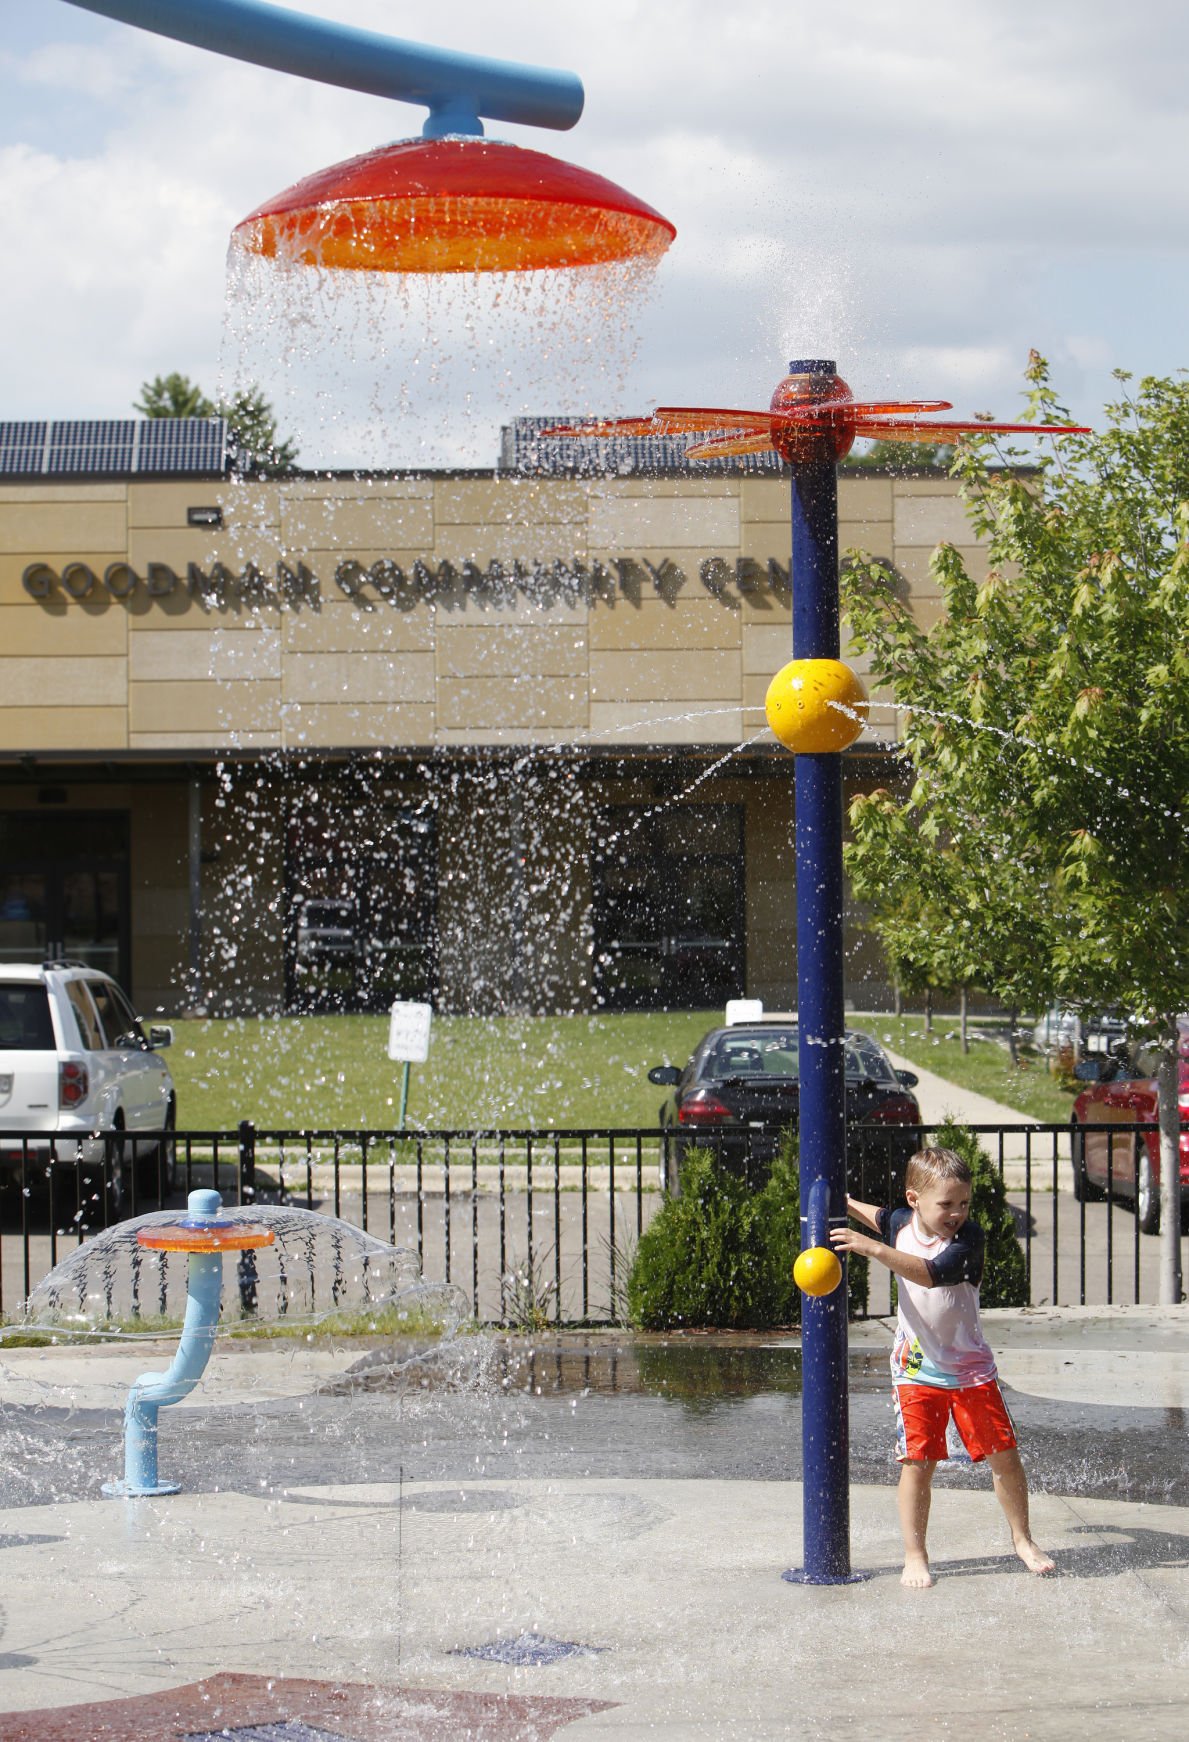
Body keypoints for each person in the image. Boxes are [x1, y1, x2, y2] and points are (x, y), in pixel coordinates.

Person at [830, 1145, 1055, 1589]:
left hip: (971, 1371)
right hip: (915, 1371)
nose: (957, 1212)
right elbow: (878, 1216)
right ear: (914, 1200)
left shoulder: (968, 1240)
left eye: (964, 1203)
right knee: (918, 1462)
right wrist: (840, 1202)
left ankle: (1023, 1539)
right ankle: (915, 1555)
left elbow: (931, 1273)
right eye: (947, 1204)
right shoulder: (899, 1224)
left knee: (1005, 1458)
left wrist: (872, 1250)